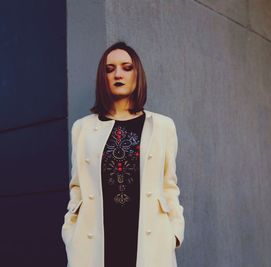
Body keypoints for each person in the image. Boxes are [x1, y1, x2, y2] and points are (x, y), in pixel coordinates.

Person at [61, 41, 185, 267]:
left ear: (137, 73)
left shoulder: (163, 126)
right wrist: (71, 233)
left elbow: (169, 186)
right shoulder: (83, 128)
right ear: (103, 77)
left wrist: (174, 233)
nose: (118, 74)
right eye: (110, 69)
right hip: (95, 244)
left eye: (126, 67)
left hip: (148, 242)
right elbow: (77, 187)